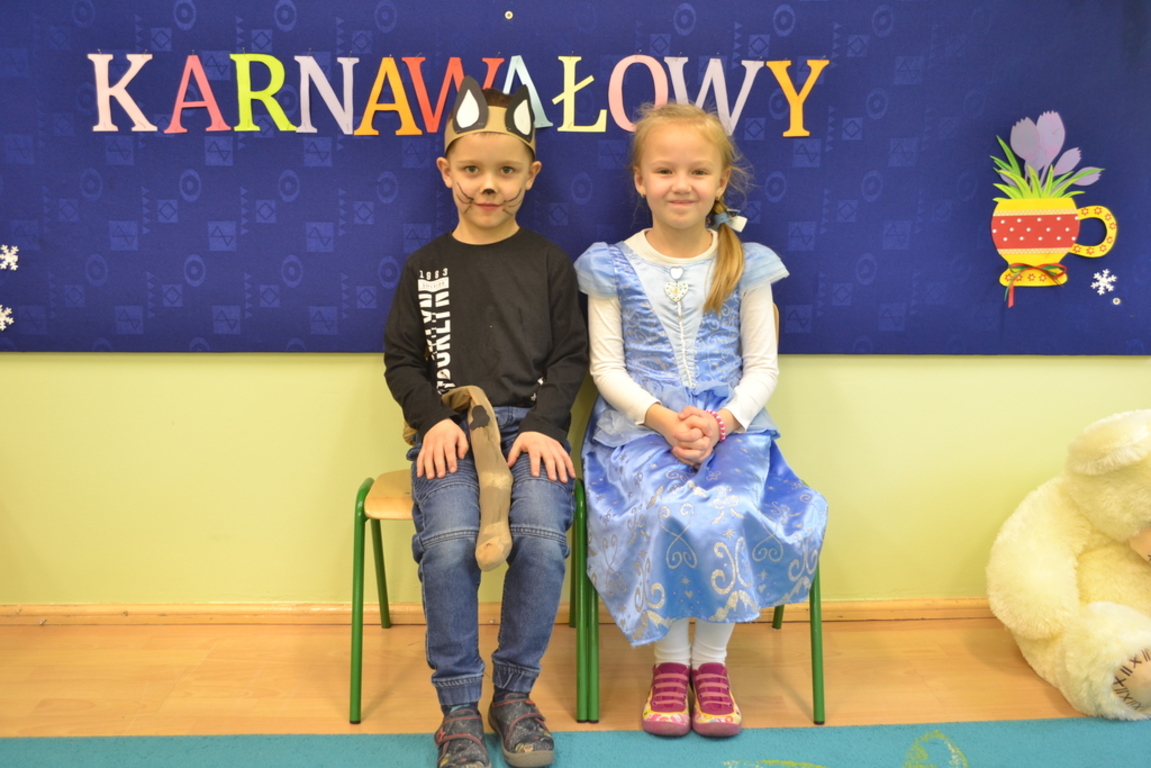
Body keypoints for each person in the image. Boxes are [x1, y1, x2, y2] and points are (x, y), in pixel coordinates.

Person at [573, 102, 827, 738]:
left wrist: (721, 424)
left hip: (731, 426)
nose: (680, 184)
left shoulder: (745, 262)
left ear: (720, 181)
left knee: (727, 506)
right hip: (636, 430)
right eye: (664, 170)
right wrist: (664, 422)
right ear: (640, 180)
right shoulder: (610, 265)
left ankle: (709, 662)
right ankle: (669, 664)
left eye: (697, 171)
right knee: (665, 508)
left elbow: (762, 367)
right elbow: (606, 368)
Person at [384, 76, 587, 768]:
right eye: (472, 170)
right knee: (446, 547)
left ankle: (514, 697)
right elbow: (402, 361)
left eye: (506, 171)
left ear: (531, 174)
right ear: (447, 172)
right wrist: (431, 421)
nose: (489, 186)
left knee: (541, 541)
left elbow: (570, 356)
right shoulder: (424, 268)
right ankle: (459, 709)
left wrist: (546, 425)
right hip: (450, 432)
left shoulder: (550, 264)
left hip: (530, 432)